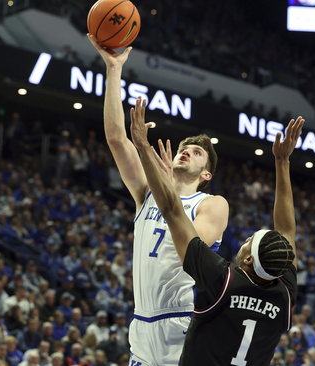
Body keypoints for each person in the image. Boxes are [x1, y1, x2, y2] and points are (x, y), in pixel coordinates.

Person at [88, 35, 229, 366]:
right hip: (140, 324)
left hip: (178, 322)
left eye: (196, 154)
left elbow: (191, 250)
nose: (186, 152)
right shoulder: (146, 194)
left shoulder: (212, 204)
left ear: (205, 174)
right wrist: (113, 69)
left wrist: (157, 172)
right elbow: (115, 139)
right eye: (184, 148)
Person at [130, 95, 303, 365]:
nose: (244, 240)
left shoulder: (222, 281)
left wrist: (142, 146)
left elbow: (174, 213)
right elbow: (287, 231)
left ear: (247, 259)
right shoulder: (284, 297)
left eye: (249, 241)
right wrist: (282, 162)